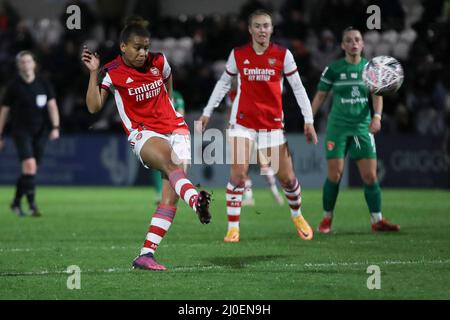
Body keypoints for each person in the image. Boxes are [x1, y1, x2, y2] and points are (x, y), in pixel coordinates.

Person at [81, 17, 211, 271]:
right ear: (123, 47)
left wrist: (169, 106)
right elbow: (93, 106)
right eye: (138, 48)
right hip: (144, 133)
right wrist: (94, 72)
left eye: (146, 47)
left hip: (176, 129)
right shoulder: (112, 72)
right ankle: (197, 201)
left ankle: (146, 255)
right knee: (172, 165)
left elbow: (168, 79)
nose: (143, 53)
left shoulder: (159, 61)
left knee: (169, 199)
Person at [198, 9, 318, 243]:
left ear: (272, 29)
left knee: (287, 178)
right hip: (241, 123)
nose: (262, 30)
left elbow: (298, 88)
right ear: (250, 29)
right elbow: (224, 83)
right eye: (258, 26)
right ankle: (233, 228)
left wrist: (309, 120)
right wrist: (207, 112)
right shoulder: (238, 54)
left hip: (272, 125)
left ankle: (297, 215)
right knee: (239, 173)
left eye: (266, 26)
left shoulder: (283, 55)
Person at [311, 26, 400, 233]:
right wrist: (309, 120)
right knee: (335, 175)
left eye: (357, 39)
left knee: (370, 176)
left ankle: (377, 220)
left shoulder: (371, 69)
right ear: (343, 45)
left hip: (362, 128)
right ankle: (326, 220)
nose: (353, 43)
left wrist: (377, 117)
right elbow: (320, 96)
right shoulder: (333, 69)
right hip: (338, 128)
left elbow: (377, 96)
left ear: (362, 43)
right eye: (349, 40)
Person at [0, 51, 60, 217]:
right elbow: (4, 111)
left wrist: (55, 127)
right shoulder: (13, 86)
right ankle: (32, 205)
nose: (25, 64)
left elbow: (52, 106)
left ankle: (16, 202)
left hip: (40, 132)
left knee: (30, 171)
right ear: (19, 66)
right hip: (21, 131)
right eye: (22, 62)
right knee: (30, 167)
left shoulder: (43, 83)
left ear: (34, 64)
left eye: (28, 61)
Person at [152, 89, 185, 204]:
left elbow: (181, 114)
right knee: (159, 165)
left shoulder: (176, 95)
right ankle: (160, 192)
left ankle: (176, 191)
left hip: (174, 132)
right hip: (159, 132)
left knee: (178, 164)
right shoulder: (154, 92)